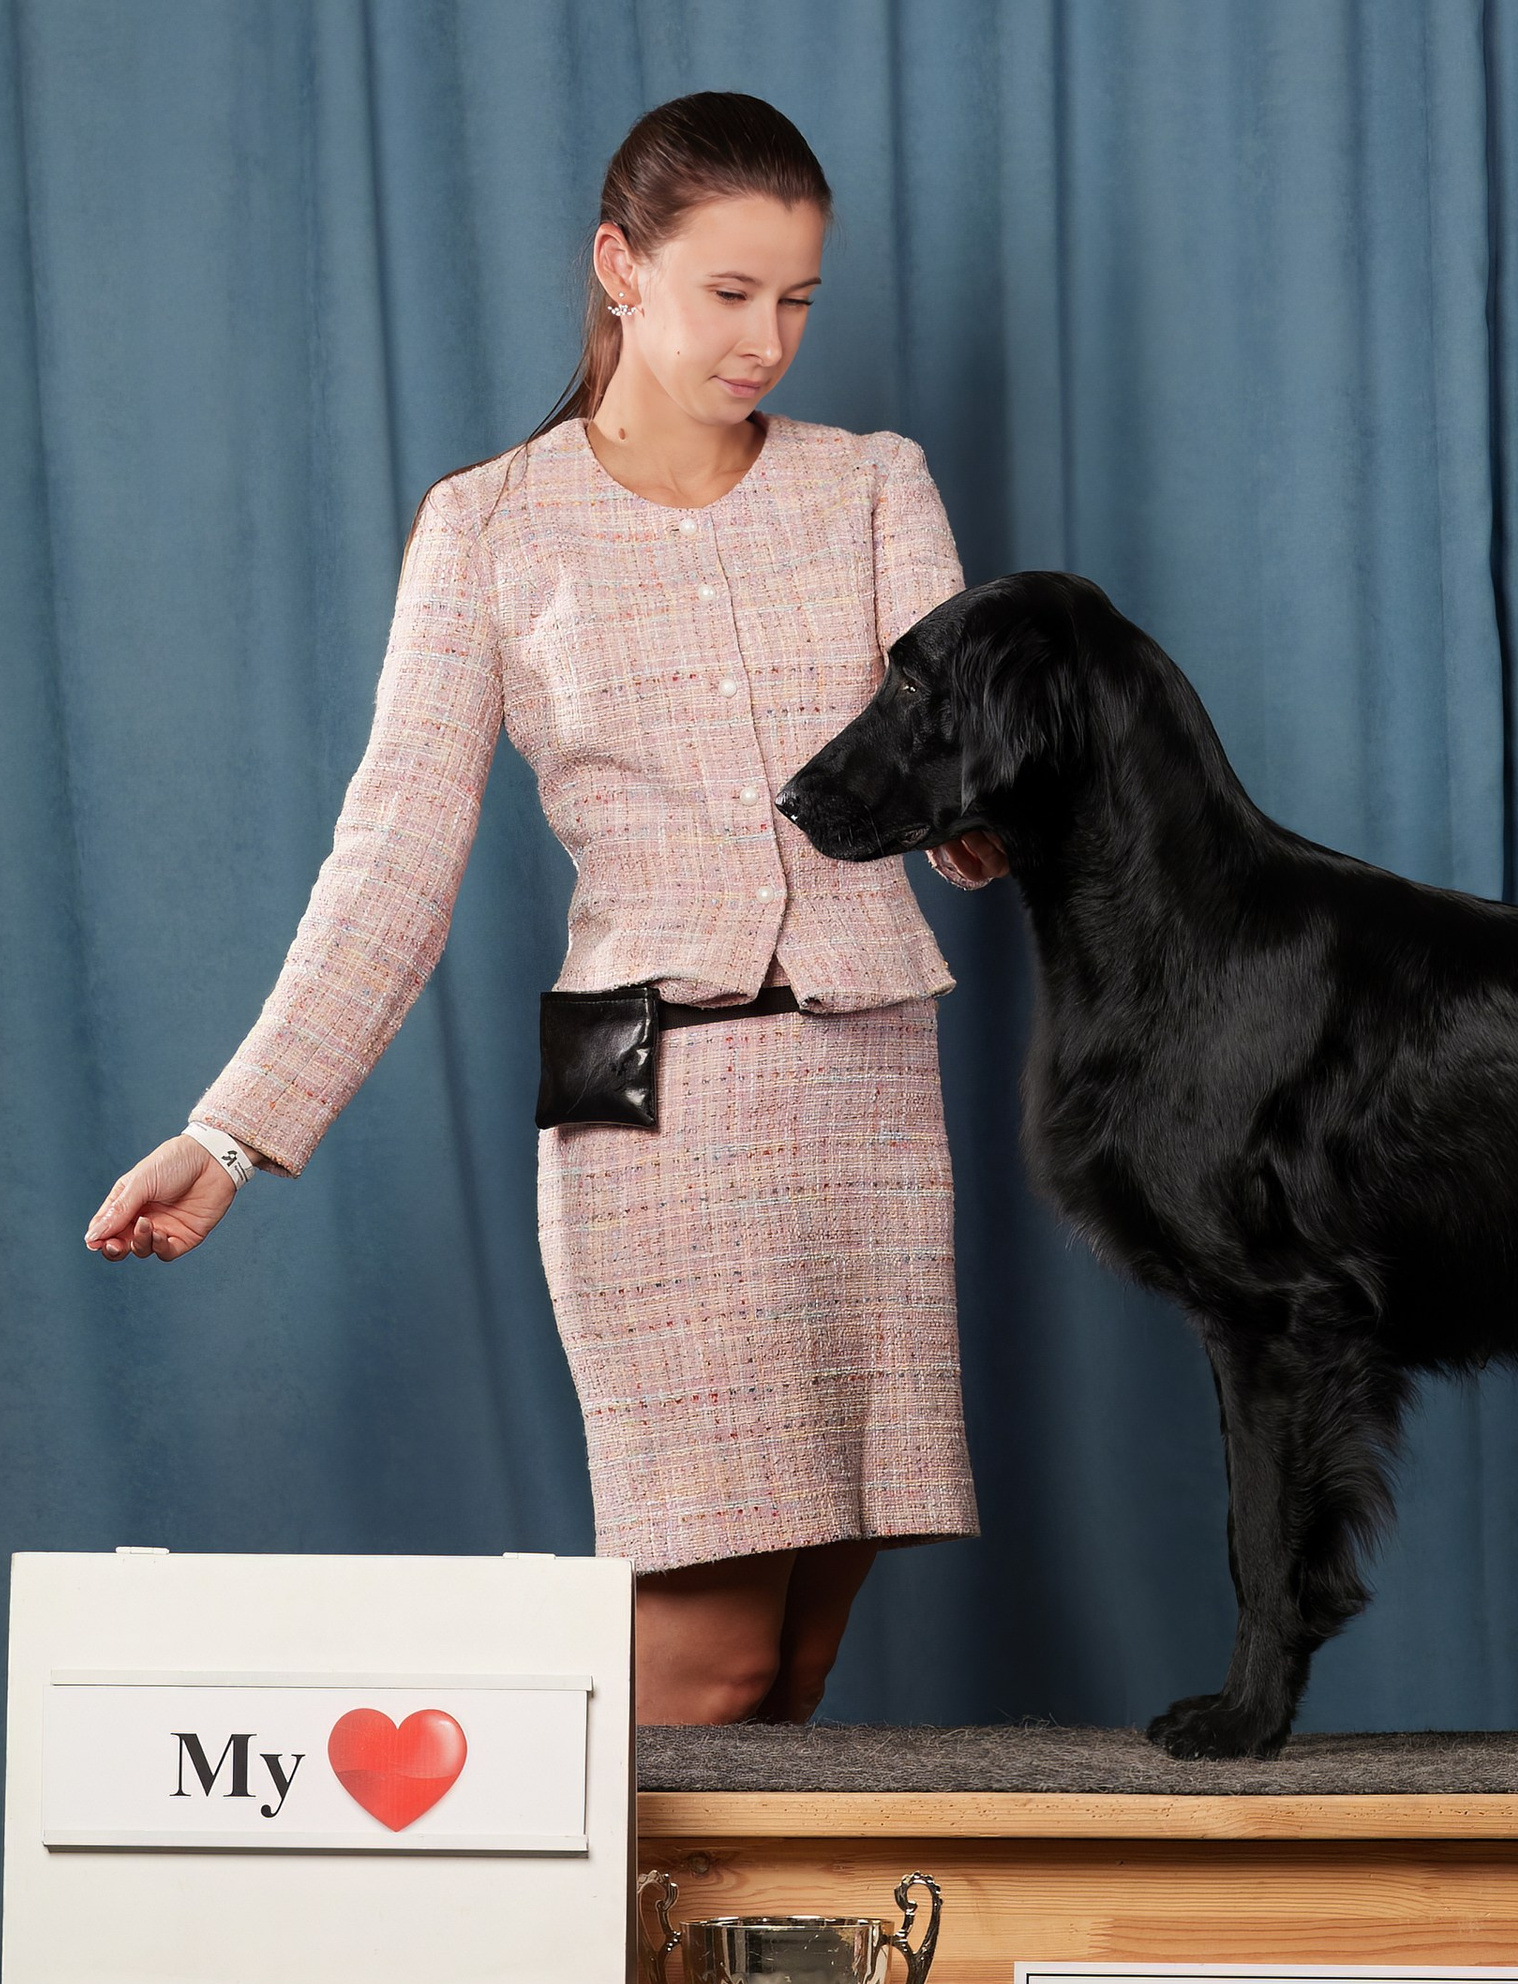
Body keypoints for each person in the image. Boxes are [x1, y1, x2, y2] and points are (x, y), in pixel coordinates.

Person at [82, 92, 1002, 1727]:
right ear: (619, 267)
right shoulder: (492, 525)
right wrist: (229, 1139)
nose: (767, 341)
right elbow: (391, 860)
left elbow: (961, 763)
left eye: (796, 301)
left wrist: (983, 821)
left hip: (866, 1093)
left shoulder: (873, 486)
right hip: (653, 1116)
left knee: (792, 1670)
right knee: (704, 1664)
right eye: (730, 294)